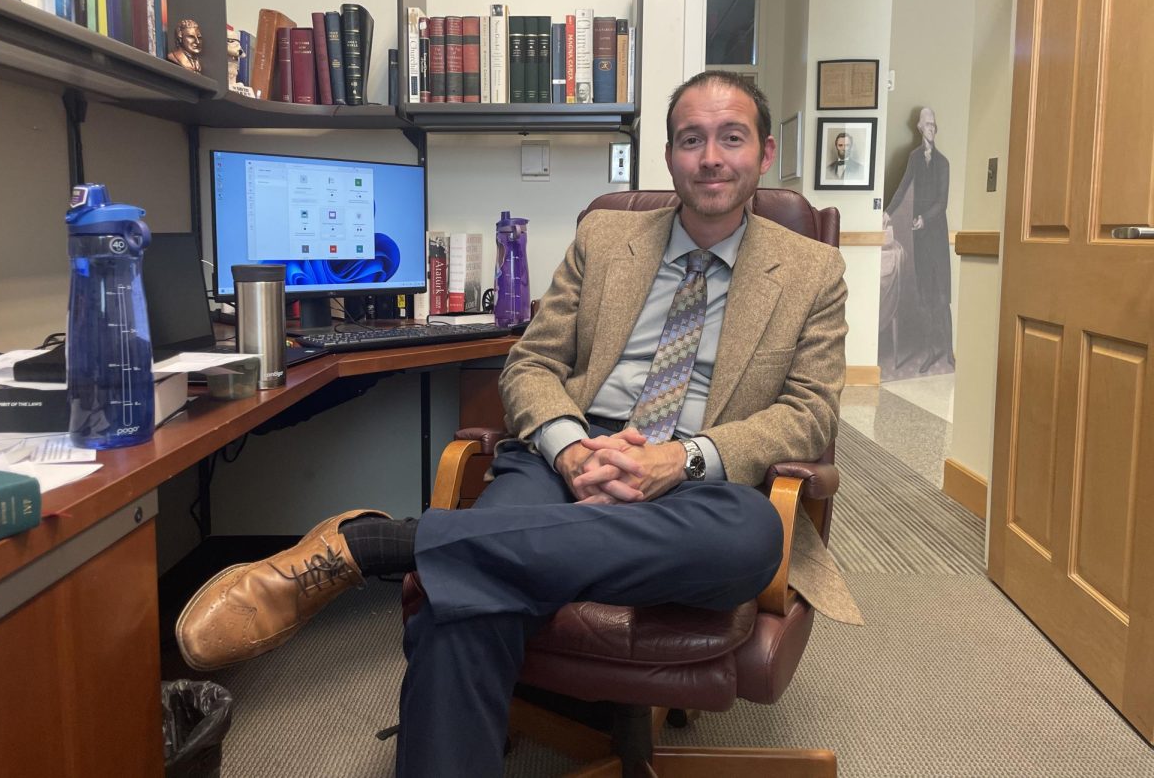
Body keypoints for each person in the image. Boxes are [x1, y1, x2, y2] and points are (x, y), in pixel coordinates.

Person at [175, 71, 848, 777]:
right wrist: (570, 449)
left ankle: (380, 545)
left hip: (698, 484)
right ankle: (445, 558)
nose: (711, 156)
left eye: (730, 137)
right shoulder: (606, 238)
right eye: (691, 139)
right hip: (570, 457)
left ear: (764, 153)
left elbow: (808, 414)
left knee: (749, 536)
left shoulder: (813, 271)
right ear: (671, 155)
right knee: (462, 607)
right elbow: (530, 364)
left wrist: (676, 462)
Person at [887, 106, 951, 373]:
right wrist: (887, 213)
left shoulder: (943, 162)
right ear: (919, 128)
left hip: (937, 236)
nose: (930, 128)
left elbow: (942, 202)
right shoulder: (914, 158)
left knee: (942, 295)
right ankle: (929, 352)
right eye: (926, 124)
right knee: (924, 295)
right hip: (920, 239)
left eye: (933, 124)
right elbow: (902, 187)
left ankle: (948, 351)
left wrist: (924, 218)